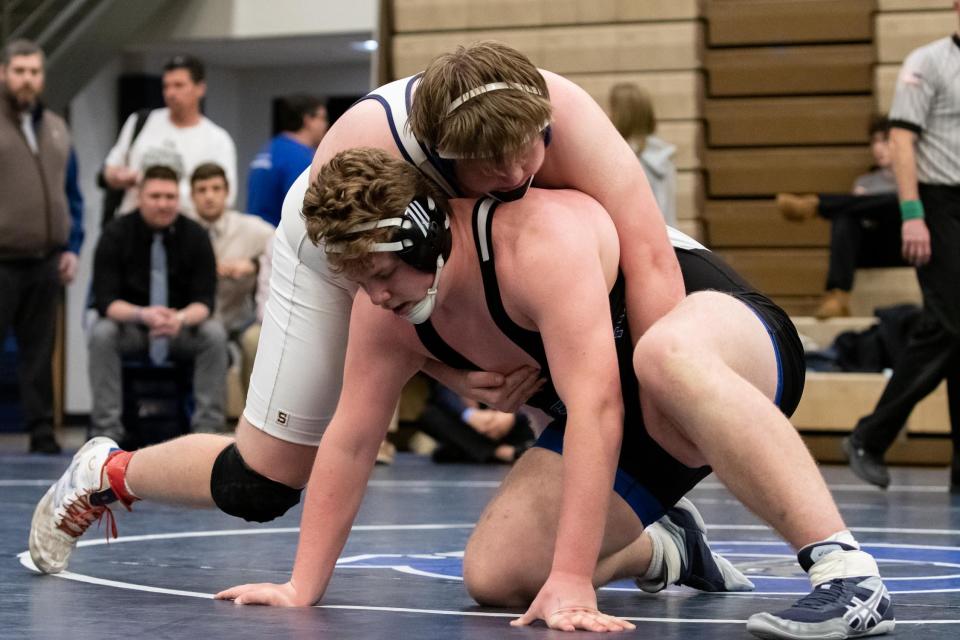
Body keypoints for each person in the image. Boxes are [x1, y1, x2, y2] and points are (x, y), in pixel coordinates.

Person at [30, 40, 707, 607]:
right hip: (339, 246)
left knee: (577, 332)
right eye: (489, 165)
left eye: (527, 149)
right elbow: (377, 310)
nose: (517, 171)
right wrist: (450, 370)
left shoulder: (561, 117)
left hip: (445, 256)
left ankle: (637, 528)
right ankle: (111, 471)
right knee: (261, 482)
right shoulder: (366, 158)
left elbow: (649, 253)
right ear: (441, 152)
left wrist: (673, 396)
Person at [212, 149, 892, 639]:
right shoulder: (384, 309)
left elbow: (596, 406)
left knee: (664, 354)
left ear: (426, 235)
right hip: (625, 401)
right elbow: (353, 437)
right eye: (360, 283)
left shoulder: (535, 241)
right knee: (497, 575)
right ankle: (667, 550)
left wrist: (573, 577)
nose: (378, 297)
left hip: (719, 340)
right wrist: (303, 585)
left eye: (385, 275)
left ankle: (847, 575)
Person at [845, 4, 960, 493]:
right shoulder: (927, 62)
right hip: (939, 203)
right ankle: (871, 436)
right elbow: (902, 141)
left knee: (958, 334)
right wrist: (914, 214)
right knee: (950, 324)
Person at [87, 165, 228, 443]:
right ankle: (107, 432)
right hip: (133, 328)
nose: (163, 204)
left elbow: (205, 302)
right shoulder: (115, 234)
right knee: (102, 332)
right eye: (155, 196)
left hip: (180, 328)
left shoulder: (196, 236)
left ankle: (208, 432)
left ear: (179, 198)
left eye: (170, 196)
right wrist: (143, 315)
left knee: (214, 334)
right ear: (140, 197)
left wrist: (180, 319)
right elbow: (106, 302)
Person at [0, 39, 84, 454]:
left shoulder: (55, 126)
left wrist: (73, 245)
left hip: (46, 259)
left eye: (34, 72)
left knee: (39, 352)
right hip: (3, 259)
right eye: (19, 70)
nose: (27, 79)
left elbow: (71, 194)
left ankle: (40, 431)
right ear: (3, 73)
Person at [777, 116, 903, 318]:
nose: (878, 148)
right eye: (874, 141)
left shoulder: (918, 179)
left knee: (896, 200)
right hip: (873, 247)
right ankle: (837, 297)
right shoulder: (866, 182)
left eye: (885, 141)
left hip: (906, 247)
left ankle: (815, 205)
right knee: (844, 216)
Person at [102, 54, 237, 218]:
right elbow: (109, 171)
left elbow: (226, 198)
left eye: (179, 85)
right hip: (132, 227)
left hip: (186, 230)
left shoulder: (217, 139)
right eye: (166, 86)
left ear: (200, 88)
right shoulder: (140, 122)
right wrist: (121, 177)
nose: (171, 93)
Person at [190, 162, 274, 395]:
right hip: (197, 321)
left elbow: (282, 248)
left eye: (216, 189)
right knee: (210, 339)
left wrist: (254, 265)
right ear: (192, 195)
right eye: (202, 190)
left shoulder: (252, 228)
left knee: (256, 342)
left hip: (239, 318)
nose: (209, 196)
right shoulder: (183, 229)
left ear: (227, 192)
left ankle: (255, 417)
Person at [247, 94, 328, 226]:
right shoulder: (302, 159)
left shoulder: (269, 148)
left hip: (257, 234)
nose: (326, 124)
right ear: (308, 120)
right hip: (280, 236)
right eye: (322, 118)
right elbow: (306, 208)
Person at [608, 82, 677, 226]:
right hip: (669, 240)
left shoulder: (623, 158)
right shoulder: (663, 155)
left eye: (611, 109)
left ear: (621, 114)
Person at [418, 382, 536, 464]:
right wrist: (469, 414)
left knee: (447, 452)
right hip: (470, 428)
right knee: (432, 415)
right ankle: (500, 452)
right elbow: (442, 392)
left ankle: (463, 452)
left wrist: (512, 414)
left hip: (510, 421)